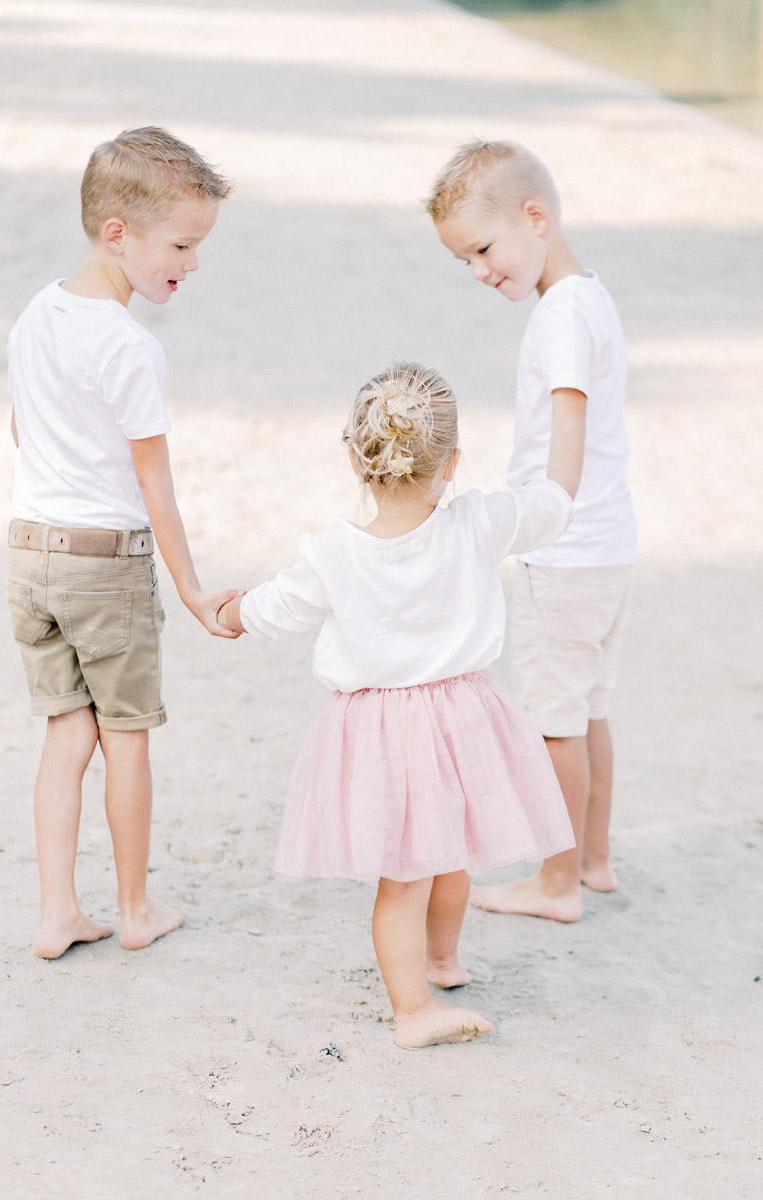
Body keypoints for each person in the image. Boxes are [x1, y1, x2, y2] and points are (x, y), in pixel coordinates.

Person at [217, 362, 577, 1048]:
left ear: (354, 455)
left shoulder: (332, 554)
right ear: (453, 462)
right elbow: (555, 504)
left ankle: (432, 973)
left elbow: (267, 611)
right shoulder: (480, 522)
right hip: (464, 718)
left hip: (380, 729)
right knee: (451, 854)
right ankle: (419, 1000)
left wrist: (225, 610)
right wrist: (570, 424)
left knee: (408, 873)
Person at [7, 127, 238, 960]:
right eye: (182, 244)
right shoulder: (130, 346)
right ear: (118, 234)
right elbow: (155, 486)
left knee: (67, 734)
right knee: (127, 735)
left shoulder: (38, 313)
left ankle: (56, 912)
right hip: (103, 565)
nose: (193, 262)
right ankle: (135, 907)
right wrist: (190, 587)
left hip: (30, 552)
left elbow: (23, 430)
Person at [425, 139, 637, 923]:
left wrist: (542, 513)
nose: (480, 270)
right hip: (610, 548)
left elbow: (569, 421)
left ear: (535, 217)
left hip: (569, 550)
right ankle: (594, 859)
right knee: (588, 710)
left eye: (483, 249)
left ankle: (556, 884)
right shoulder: (590, 294)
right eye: (465, 261)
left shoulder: (561, 315)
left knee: (554, 723)